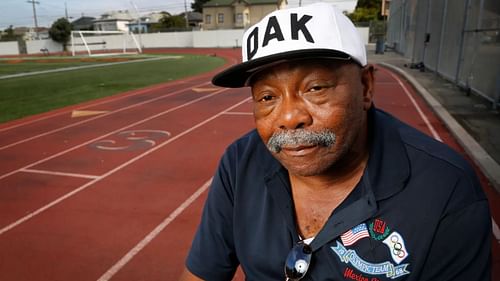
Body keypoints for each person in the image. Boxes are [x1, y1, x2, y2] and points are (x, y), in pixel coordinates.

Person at [180, 3, 492, 281]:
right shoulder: (239, 163)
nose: (289, 117)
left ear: (366, 87)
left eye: (315, 88)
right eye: (267, 97)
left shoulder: (446, 190)